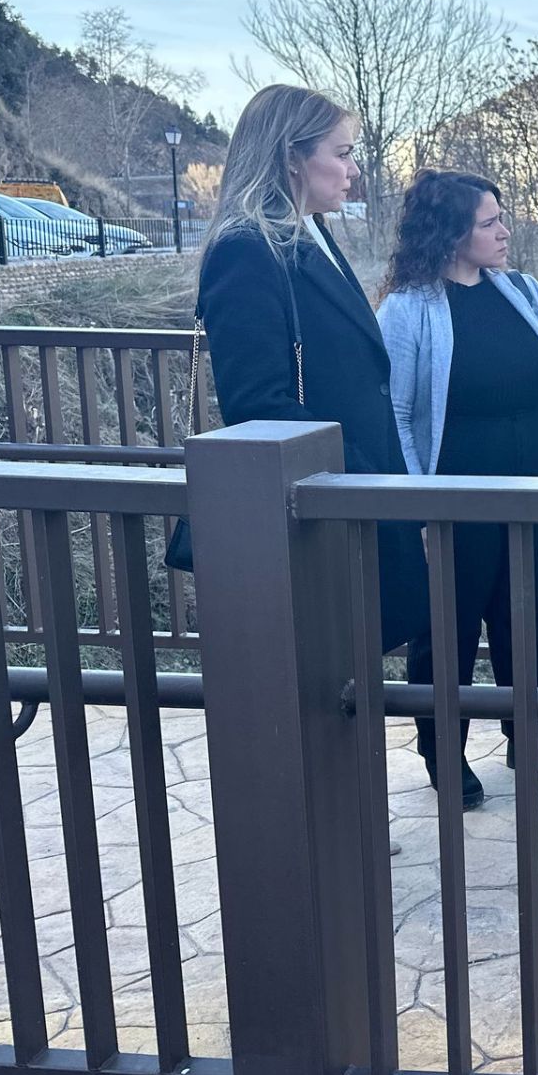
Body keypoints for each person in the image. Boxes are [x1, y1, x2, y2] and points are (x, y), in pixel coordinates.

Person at [378, 170, 538, 807]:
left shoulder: (523, 290)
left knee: (524, 609)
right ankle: (443, 748)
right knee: (451, 619)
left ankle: (532, 731)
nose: (504, 231)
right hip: (457, 481)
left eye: (502, 218)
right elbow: (395, 409)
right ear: (450, 234)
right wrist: (417, 493)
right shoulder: (409, 306)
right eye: (489, 222)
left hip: (533, 471)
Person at [197, 84, 429, 655]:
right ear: (291, 157)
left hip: (354, 500)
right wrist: (359, 478)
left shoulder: (310, 231)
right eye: (342, 153)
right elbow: (257, 405)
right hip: (323, 513)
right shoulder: (248, 250)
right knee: (327, 694)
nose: (353, 170)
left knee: (350, 686)